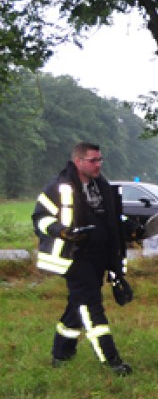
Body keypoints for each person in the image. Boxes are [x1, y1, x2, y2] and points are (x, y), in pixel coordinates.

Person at [32, 142, 133, 376]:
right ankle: (112, 360)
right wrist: (61, 231)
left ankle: (61, 353)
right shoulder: (58, 187)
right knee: (90, 305)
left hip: (100, 257)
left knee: (77, 304)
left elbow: (111, 217)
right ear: (78, 161)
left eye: (100, 160)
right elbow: (40, 219)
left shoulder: (102, 185)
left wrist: (129, 227)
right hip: (74, 257)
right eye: (93, 160)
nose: (98, 165)